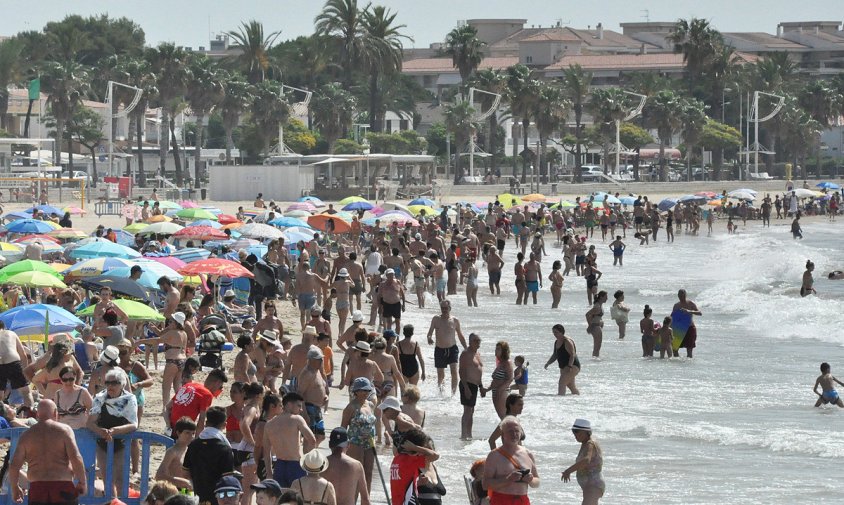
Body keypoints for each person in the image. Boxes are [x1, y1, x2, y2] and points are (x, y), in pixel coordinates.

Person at [8, 399, 86, 505]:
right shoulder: (64, 430)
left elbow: (14, 466)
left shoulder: (26, 435)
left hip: (37, 489)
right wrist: (82, 482)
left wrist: (14, 488)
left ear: (37, 414)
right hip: (62, 486)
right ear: (55, 413)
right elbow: (76, 457)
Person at [87, 369, 139, 497]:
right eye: (107, 383)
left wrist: (116, 431)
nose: (110, 386)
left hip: (121, 443)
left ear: (122, 384)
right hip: (102, 442)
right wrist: (100, 431)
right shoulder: (100, 398)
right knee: (107, 480)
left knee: (121, 480)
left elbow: (134, 424)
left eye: (114, 383)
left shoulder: (129, 399)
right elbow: (90, 423)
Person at [184, 407, 236, 505]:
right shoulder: (225, 448)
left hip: (197, 496)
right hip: (218, 498)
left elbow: (185, 473)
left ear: (206, 423)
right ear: (224, 425)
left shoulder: (193, 445)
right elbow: (227, 478)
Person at [263, 392, 315, 488]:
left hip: (279, 466)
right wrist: (308, 459)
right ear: (289, 405)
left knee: (281, 499)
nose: (301, 409)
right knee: (297, 498)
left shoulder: (269, 424)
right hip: (295, 465)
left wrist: (269, 473)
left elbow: (266, 452)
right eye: (299, 406)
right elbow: (312, 440)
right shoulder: (297, 419)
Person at [482, 416, 539, 504]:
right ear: (503, 434)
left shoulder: (528, 454)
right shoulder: (494, 455)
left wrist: (530, 480)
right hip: (501, 500)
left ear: (520, 433)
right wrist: (508, 479)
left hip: (522, 500)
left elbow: (537, 482)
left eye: (517, 431)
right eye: (510, 431)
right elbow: (485, 484)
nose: (514, 434)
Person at [341, 378, 377, 490]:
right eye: (363, 390)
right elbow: (343, 427)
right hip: (355, 442)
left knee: (369, 473)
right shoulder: (351, 407)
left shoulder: (371, 405)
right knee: (356, 473)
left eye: (368, 390)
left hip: (370, 443)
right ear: (356, 391)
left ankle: (366, 500)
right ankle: (353, 499)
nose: (366, 393)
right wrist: (342, 448)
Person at [166, 368, 228, 434]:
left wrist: (168, 425)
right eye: (220, 387)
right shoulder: (207, 395)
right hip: (183, 432)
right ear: (217, 383)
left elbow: (167, 407)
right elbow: (201, 421)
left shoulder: (188, 385)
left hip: (171, 429)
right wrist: (197, 440)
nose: (219, 390)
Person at [426, 300, 467, 394]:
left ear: (450, 308)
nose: (444, 310)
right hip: (439, 349)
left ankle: (453, 394)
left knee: (454, 371)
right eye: (442, 308)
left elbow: (460, 335)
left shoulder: (455, 320)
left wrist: (466, 348)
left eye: (446, 308)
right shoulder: (436, 319)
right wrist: (429, 338)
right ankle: (441, 393)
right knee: (440, 374)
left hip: (452, 349)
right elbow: (429, 333)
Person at [389, 428, 440, 505]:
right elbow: (435, 455)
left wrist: (417, 482)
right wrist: (414, 447)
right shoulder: (412, 460)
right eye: (423, 447)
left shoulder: (396, 459)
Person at [561, 419, 605, 505]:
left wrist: (568, 471)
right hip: (589, 486)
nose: (576, 435)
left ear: (587, 432)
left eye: (578, 432)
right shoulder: (585, 443)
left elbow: (586, 460)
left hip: (594, 485)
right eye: (574, 433)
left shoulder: (590, 444)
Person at [323, 427, 370, 505]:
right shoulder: (357, 465)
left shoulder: (322, 463)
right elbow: (365, 499)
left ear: (329, 444)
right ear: (348, 444)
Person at [0, 320, 34, 407]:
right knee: (26, 392)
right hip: (13, 362)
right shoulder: (11, 333)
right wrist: (25, 372)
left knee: (0, 394)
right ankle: (30, 413)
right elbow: (23, 354)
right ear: (4, 327)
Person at [155, 417, 195, 490]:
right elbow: (159, 476)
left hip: (188, 491)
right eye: (187, 433)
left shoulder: (190, 451)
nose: (191, 436)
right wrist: (182, 481)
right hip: (175, 491)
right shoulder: (172, 452)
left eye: (193, 433)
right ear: (178, 433)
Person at [458, 333, 483, 440]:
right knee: (467, 410)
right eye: (476, 341)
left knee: (471, 410)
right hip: (467, 384)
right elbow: (461, 371)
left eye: (479, 341)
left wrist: (481, 386)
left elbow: (479, 371)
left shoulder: (477, 353)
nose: (478, 343)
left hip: (475, 385)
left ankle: (469, 434)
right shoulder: (465, 354)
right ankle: (463, 435)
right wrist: (466, 388)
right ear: (470, 342)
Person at [544, 324, 580, 396]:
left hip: (572, 366)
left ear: (561, 332)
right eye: (553, 332)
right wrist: (548, 363)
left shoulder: (567, 341)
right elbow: (555, 355)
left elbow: (572, 355)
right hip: (563, 367)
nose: (555, 334)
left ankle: (560, 401)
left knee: (562, 383)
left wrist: (569, 366)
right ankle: (578, 399)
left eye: (556, 332)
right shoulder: (557, 342)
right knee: (571, 386)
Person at [54, 365, 93, 429]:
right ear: (61, 380)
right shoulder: (57, 394)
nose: (68, 382)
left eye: (71, 379)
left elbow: (92, 410)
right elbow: (56, 415)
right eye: (65, 380)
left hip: (80, 431)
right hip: (64, 432)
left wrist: (89, 424)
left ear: (75, 378)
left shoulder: (82, 392)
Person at [487, 341, 514, 420]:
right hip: (495, 392)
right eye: (495, 349)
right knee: (502, 418)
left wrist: (500, 390)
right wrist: (486, 390)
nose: (496, 350)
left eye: (498, 349)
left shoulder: (507, 363)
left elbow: (510, 379)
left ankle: (515, 432)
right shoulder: (500, 363)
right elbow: (496, 380)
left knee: (505, 418)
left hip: (502, 392)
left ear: (504, 351)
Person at [672, 289, 702, 358]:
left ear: (685, 295)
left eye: (682, 294)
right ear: (678, 295)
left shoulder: (690, 303)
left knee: (689, 350)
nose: (681, 296)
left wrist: (689, 311)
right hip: (679, 329)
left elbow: (700, 313)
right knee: (675, 349)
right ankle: (677, 367)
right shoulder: (676, 305)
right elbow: (673, 318)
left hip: (690, 328)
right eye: (679, 295)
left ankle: (688, 367)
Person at [585, 291, 607, 358]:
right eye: (606, 297)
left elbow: (594, 316)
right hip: (595, 327)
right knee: (597, 346)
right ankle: (595, 359)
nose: (607, 299)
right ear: (601, 297)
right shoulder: (597, 307)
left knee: (598, 346)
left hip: (597, 326)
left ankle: (595, 358)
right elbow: (587, 314)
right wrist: (590, 325)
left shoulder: (599, 305)